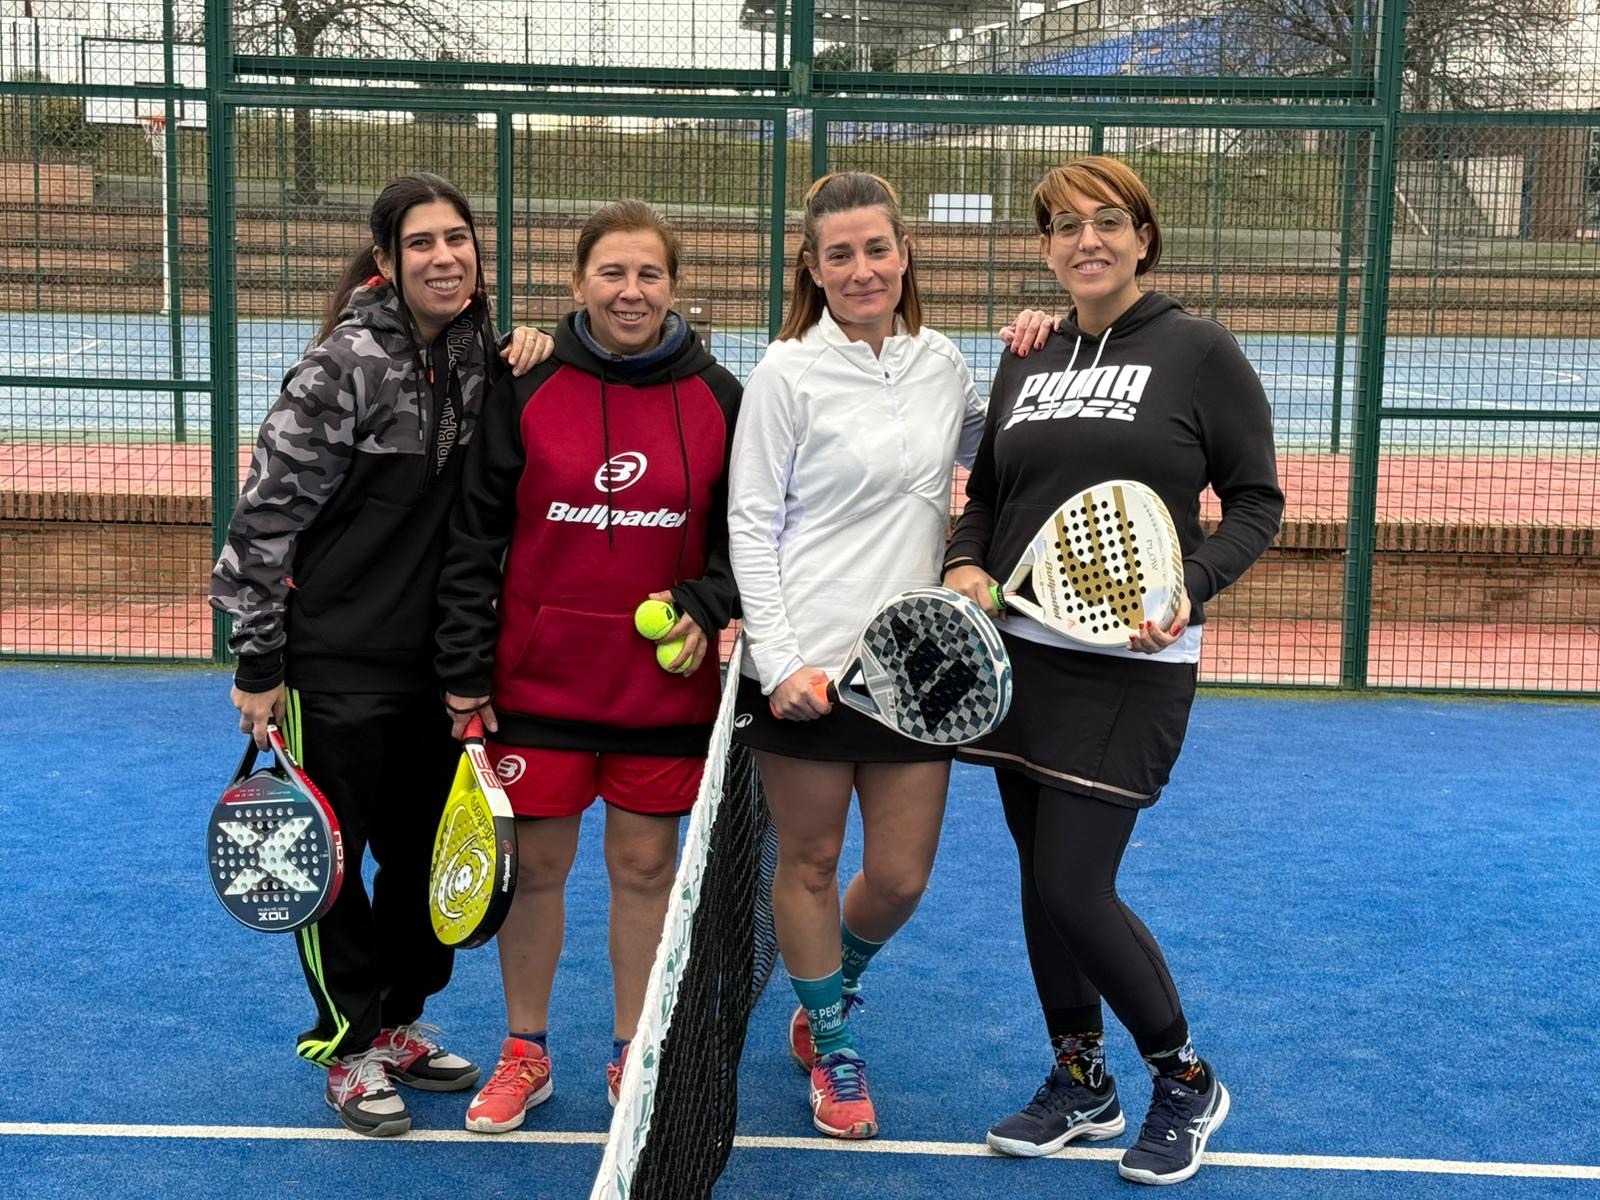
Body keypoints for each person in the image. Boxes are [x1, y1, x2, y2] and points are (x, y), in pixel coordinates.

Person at [941, 155, 1283, 1186]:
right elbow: (989, 496)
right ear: (1045, 249)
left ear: (1143, 237)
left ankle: (1186, 1079)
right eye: (1063, 226)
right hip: (1019, 659)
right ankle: (1082, 1079)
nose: (1085, 239)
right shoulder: (1027, 357)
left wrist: (1192, 585)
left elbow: (1257, 501)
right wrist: (963, 561)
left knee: (1073, 882)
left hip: (1132, 665)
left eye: (1106, 221)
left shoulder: (1199, 350)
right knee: (1039, 884)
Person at [210, 173, 553, 1137]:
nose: (445, 257)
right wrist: (258, 665)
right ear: (386, 261)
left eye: (458, 239)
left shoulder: (488, 359)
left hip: (438, 670)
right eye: (422, 243)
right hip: (333, 664)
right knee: (333, 864)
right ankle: (348, 1042)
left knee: (417, 861)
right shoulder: (342, 367)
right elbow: (264, 524)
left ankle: (398, 1020)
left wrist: (536, 345)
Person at [433, 199, 742, 1134]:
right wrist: (464, 666)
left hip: (660, 690)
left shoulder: (721, 397)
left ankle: (631, 1053)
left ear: (674, 286)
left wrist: (706, 605)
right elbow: (475, 537)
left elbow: (742, 546)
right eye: (612, 272)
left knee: (645, 869)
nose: (630, 291)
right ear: (579, 283)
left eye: (650, 273)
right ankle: (524, 1052)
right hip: (538, 685)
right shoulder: (526, 387)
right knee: (535, 869)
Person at [727, 171, 986, 1140]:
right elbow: (751, 524)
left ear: (904, 255)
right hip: (809, 667)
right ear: (812, 268)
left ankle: (830, 985)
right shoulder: (786, 373)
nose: (862, 269)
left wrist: (1042, 345)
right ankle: (832, 1043)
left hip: (917, 669)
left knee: (901, 878)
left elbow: (1004, 450)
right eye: (840, 255)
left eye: (877, 249)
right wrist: (781, 660)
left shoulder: (942, 364)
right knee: (810, 858)